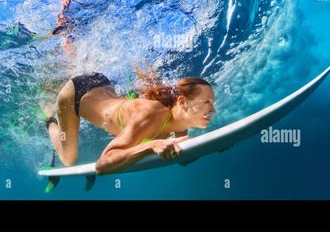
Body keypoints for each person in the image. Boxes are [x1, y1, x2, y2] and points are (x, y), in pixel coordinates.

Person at [44, 71, 216, 175]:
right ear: (182, 102)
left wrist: (213, 147)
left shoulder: (180, 129)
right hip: (75, 96)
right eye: (206, 102)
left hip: (99, 83)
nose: (213, 111)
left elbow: (181, 159)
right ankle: (49, 120)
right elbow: (102, 165)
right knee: (68, 159)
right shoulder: (151, 115)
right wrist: (151, 146)